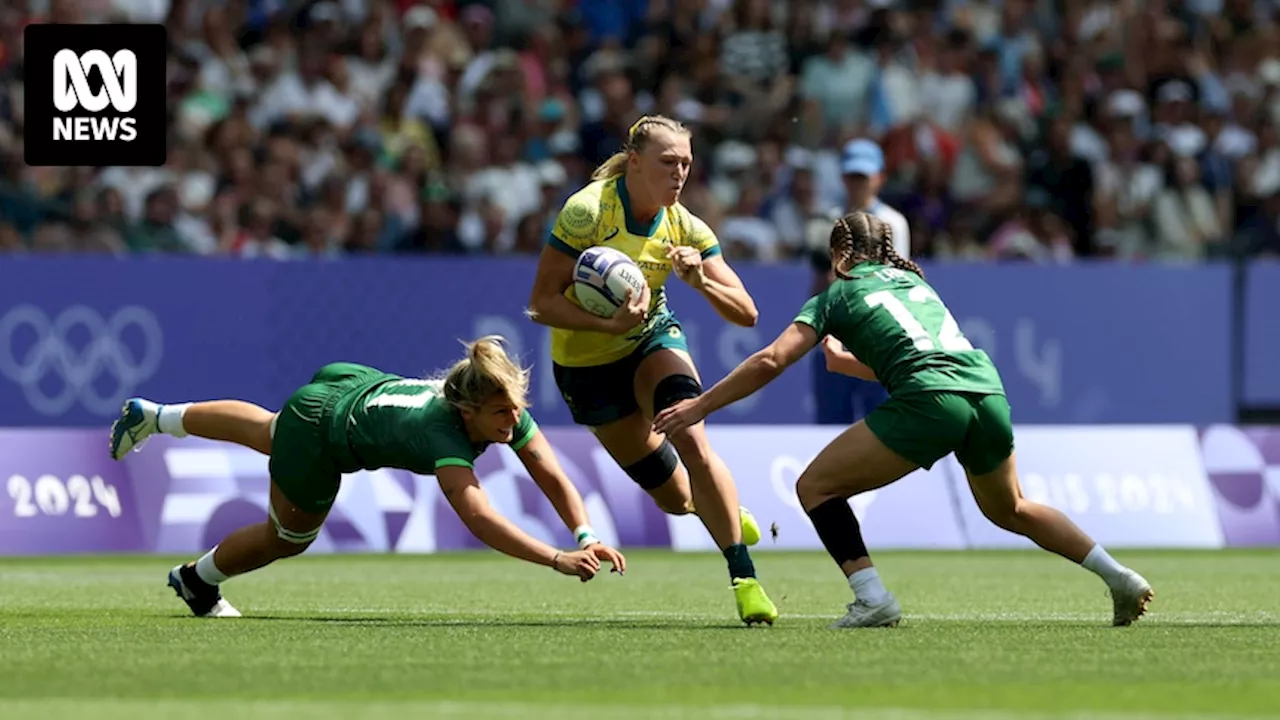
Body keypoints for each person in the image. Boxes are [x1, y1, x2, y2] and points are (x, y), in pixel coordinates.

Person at [654, 211, 1154, 629]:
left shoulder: (835, 295)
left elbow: (771, 360)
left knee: (815, 488)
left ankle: (872, 598)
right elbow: (918, 354)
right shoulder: (915, 282)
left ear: (838, 255)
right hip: (986, 391)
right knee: (1012, 508)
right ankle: (1119, 577)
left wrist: (700, 406)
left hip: (931, 401)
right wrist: (850, 363)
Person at [108, 336, 627, 618]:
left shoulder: (494, 402)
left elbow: (545, 467)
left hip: (347, 382)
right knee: (284, 539)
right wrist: (555, 558)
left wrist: (585, 534)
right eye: (502, 416)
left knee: (272, 429)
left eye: (516, 411)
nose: (513, 424)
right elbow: (479, 516)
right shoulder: (443, 436)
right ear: (468, 412)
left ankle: (155, 416)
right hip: (322, 432)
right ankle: (197, 581)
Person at [526, 114, 777, 625]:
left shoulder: (686, 225)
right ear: (635, 162)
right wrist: (609, 324)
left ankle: (744, 577)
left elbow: (747, 313)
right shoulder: (586, 212)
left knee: (693, 441)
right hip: (587, 369)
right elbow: (540, 303)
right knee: (677, 498)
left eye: (686, 162)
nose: (679, 173)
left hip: (651, 341)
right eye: (668, 162)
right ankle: (722, 510)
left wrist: (699, 280)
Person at [810, 139, 911, 426]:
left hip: (876, 338)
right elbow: (818, 283)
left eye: (863, 177)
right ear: (843, 178)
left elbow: (891, 280)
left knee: (880, 422)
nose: (857, 184)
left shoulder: (893, 223)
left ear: (879, 178)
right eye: (852, 176)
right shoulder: (826, 220)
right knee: (830, 421)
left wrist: (843, 277)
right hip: (835, 335)